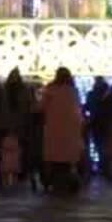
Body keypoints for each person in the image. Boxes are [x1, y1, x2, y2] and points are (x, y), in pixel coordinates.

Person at [41, 67, 85, 195]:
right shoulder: (73, 91)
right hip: (71, 132)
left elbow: (41, 107)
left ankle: (55, 184)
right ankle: (69, 183)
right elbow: (78, 111)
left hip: (53, 131)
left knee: (55, 161)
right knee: (68, 160)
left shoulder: (50, 90)